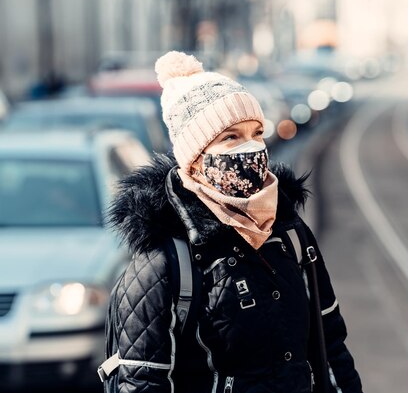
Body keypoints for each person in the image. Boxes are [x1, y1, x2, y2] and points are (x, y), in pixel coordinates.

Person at [106, 51, 363, 393]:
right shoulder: (165, 260)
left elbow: (330, 346)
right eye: (230, 137)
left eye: (256, 133)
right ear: (195, 159)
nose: (251, 148)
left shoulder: (290, 234)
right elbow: (140, 383)